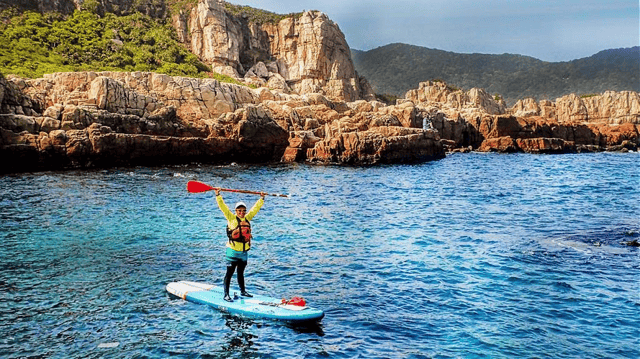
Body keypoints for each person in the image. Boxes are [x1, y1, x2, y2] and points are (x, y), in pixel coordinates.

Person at [214, 188, 266, 302]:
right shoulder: (231, 218)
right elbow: (223, 207)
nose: (242, 212)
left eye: (243, 210)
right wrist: (218, 195)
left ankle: (243, 291)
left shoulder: (247, 218)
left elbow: (255, 209)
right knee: (229, 273)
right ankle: (226, 294)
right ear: (236, 211)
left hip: (243, 252)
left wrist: (261, 198)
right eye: (239, 210)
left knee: (241, 273)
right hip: (232, 251)